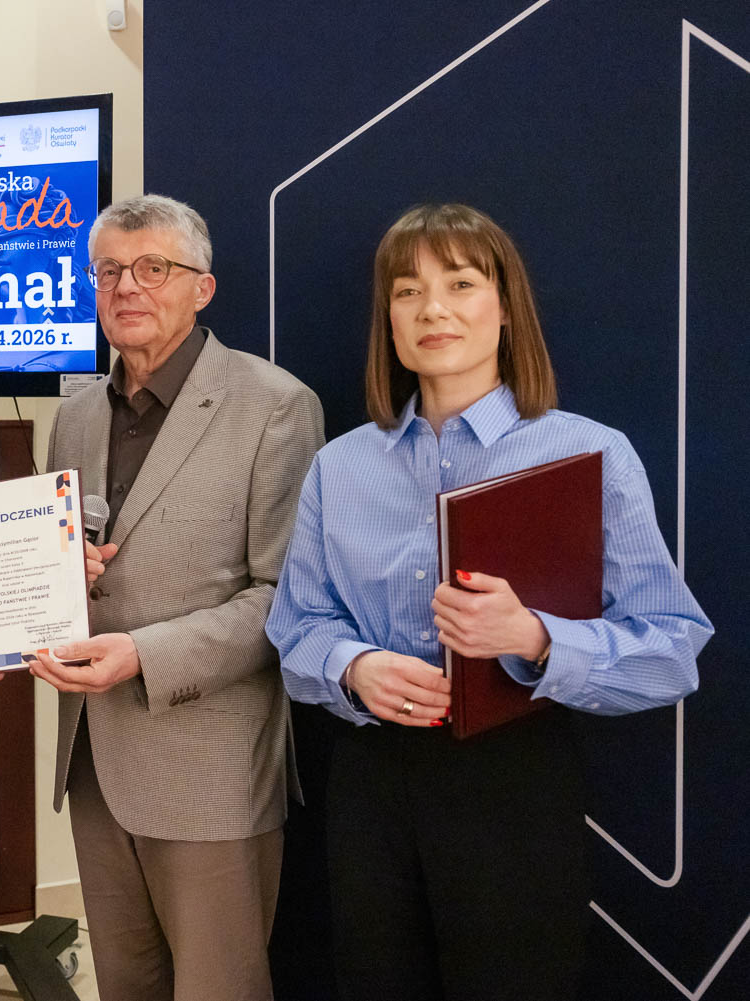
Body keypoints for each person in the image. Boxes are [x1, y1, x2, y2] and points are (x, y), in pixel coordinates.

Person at [266, 203, 713, 1001]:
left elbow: (673, 648)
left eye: (460, 283)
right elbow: (297, 625)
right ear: (389, 321)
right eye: (407, 291)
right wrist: (353, 665)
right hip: (372, 785)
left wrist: (536, 636)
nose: (432, 309)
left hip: (514, 784)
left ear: (506, 309)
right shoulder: (341, 465)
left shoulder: (588, 452)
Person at [30, 194, 324, 1001]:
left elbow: (284, 600)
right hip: (94, 763)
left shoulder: (275, 406)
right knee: (125, 986)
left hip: (211, 770)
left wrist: (142, 654)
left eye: (153, 268)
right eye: (108, 271)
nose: (127, 286)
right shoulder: (75, 415)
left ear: (203, 287)